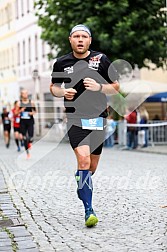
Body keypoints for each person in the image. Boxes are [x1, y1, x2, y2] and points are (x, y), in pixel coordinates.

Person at [50, 24, 120, 227]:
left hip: (98, 118)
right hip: (75, 118)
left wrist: (99, 87)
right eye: (76, 36)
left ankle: (81, 179)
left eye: (84, 36)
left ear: (90, 40)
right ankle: (89, 210)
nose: (80, 40)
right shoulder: (62, 63)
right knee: (83, 161)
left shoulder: (101, 60)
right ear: (70, 39)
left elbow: (116, 87)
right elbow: (54, 87)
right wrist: (63, 92)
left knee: (91, 167)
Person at [20, 89, 36, 159]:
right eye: (24, 93)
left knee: (30, 137)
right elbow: (15, 113)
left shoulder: (31, 102)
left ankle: (30, 142)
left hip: (30, 121)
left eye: (26, 93)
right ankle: (27, 153)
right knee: (24, 138)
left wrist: (31, 113)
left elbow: (35, 111)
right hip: (23, 122)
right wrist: (20, 110)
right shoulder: (19, 103)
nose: (25, 95)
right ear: (21, 95)